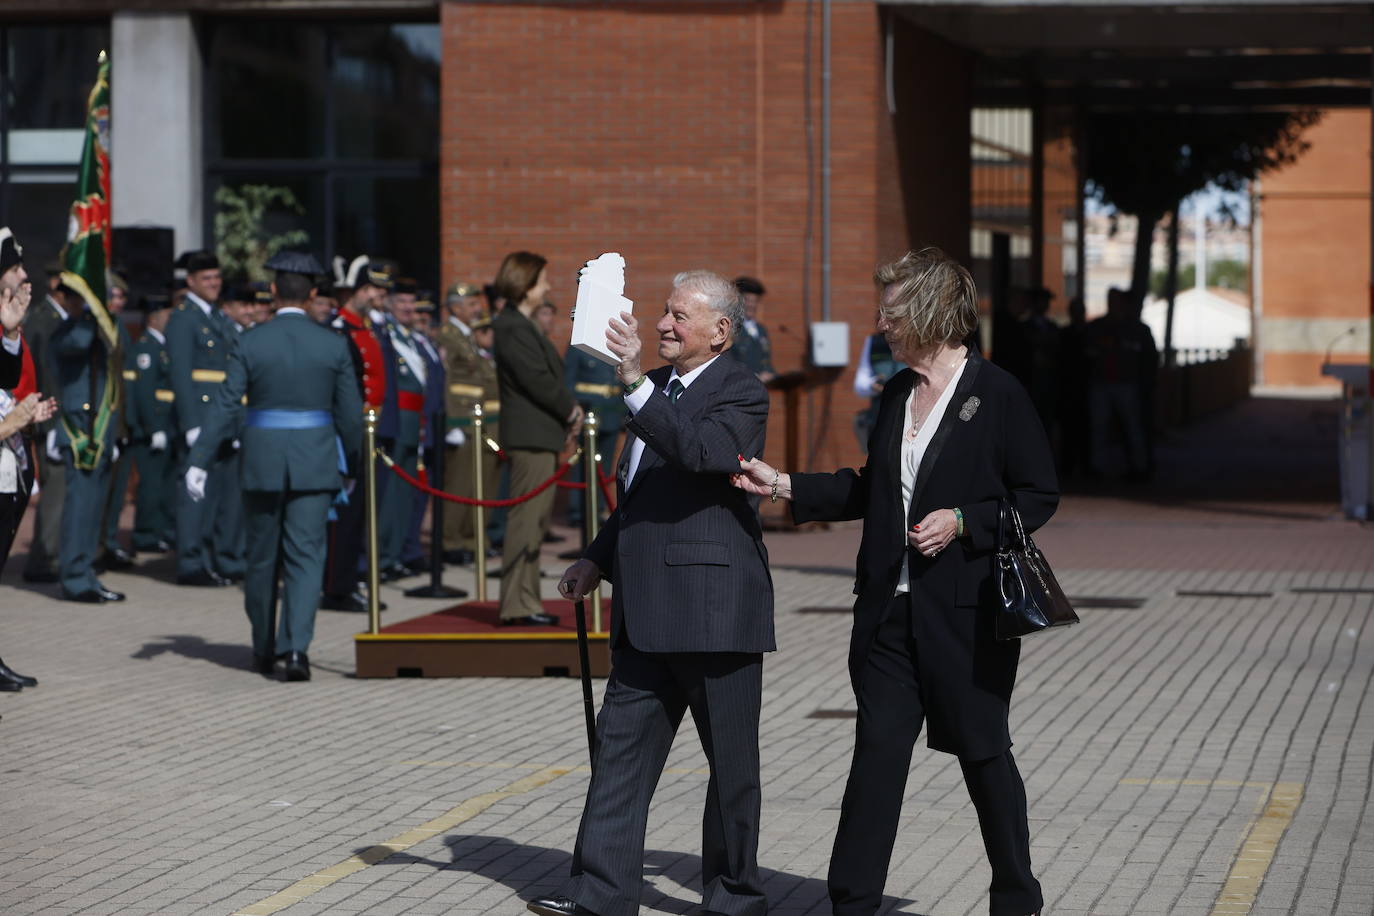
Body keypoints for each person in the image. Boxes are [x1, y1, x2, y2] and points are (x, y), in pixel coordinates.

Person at [734, 248, 1054, 916]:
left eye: (893, 307)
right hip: (888, 614)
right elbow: (867, 489)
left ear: (933, 311)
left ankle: (1017, 898)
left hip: (965, 617)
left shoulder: (996, 394)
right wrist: (786, 484)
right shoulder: (895, 395)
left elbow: (1039, 494)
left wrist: (966, 520)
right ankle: (852, 903)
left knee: (983, 753)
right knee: (876, 760)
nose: (880, 319)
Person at [531, 270, 773, 916]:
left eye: (678, 317)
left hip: (714, 613)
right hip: (643, 611)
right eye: (664, 313)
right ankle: (601, 896)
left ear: (720, 332)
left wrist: (636, 386)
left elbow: (702, 454)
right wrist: (595, 557)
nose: (663, 325)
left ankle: (734, 899)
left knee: (731, 772)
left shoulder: (741, 392)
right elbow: (643, 494)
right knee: (618, 758)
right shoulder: (659, 389)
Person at [185, 252, 362, 680]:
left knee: (262, 559)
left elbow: (227, 405)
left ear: (275, 292)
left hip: (263, 459)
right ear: (314, 294)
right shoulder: (333, 343)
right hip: (316, 459)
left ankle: (264, 646)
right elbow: (351, 416)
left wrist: (199, 460)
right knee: (306, 557)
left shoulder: (250, 340)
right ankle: (297, 649)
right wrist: (353, 464)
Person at [492, 252, 581, 626]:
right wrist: (570, 409)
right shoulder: (512, 326)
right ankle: (516, 604)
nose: (546, 287)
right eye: (542, 280)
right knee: (526, 522)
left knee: (535, 523)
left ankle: (527, 601)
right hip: (531, 435)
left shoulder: (521, 324)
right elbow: (537, 380)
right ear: (525, 284)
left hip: (540, 434)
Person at [50, 273, 127, 604]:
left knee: (95, 507)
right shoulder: (66, 331)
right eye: (78, 298)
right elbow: (80, 344)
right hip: (80, 427)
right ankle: (74, 577)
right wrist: (91, 314)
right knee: (80, 506)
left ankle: (87, 572)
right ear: (66, 300)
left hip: (102, 426)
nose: (84, 304)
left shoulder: (100, 328)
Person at [320, 255, 391, 612]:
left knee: (360, 513)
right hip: (349, 430)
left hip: (368, 430)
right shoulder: (339, 328)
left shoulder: (364, 326)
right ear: (357, 291)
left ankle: (349, 578)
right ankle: (336, 585)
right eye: (372, 288)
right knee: (344, 516)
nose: (379, 294)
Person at [165, 250, 240, 586]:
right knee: (195, 493)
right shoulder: (184, 318)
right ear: (191, 282)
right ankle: (191, 561)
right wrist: (191, 423)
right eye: (206, 279)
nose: (214, 284)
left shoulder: (218, 318)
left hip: (221, 417)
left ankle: (211, 556)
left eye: (217, 278)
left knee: (217, 493)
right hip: (201, 415)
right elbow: (180, 374)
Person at [19, 258, 69, 583]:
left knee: (63, 492)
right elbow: (37, 374)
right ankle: (43, 559)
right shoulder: (42, 320)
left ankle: (53, 553)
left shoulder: (61, 319)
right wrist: (47, 427)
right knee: (53, 492)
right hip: (46, 417)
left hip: (60, 416)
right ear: (56, 284)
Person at [376, 278, 426, 581]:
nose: (408, 308)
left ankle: (394, 554)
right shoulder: (389, 335)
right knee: (390, 496)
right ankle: (381, 556)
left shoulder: (409, 338)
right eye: (402, 303)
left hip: (414, 422)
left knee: (404, 495)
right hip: (396, 421)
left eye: (411, 303)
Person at [436, 282, 489, 565]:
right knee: (457, 486)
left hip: (474, 419)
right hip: (460, 419)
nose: (477, 309)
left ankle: (465, 539)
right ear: (455, 307)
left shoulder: (466, 335)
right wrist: (451, 422)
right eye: (470, 304)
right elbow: (445, 380)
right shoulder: (448, 335)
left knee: (470, 483)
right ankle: (450, 541)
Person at [1085, 287, 1156, 480]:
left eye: (1116, 300)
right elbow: (1087, 353)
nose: (1113, 304)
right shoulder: (1097, 326)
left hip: (1127, 384)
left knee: (1132, 426)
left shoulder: (1137, 329)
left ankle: (1139, 466)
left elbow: (1149, 359)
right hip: (1101, 383)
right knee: (1099, 427)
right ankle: (1097, 467)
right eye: (1110, 300)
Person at [127, 293, 177, 552]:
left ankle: (160, 530)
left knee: (162, 484)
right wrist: (155, 428)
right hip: (152, 427)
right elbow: (145, 392)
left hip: (166, 424)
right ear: (155, 318)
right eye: (168, 315)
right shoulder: (147, 347)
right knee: (150, 484)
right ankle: (146, 534)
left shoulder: (161, 346)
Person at [562, 341, 625, 533]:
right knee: (583, 466)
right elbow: (569, 382)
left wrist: (623, 412)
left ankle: (596, 509)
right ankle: (577, 512)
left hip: (612, 413)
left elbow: (620, 381)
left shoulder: (614, 346)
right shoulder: (578, 347)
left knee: (603, 468)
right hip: (588, 413)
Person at [97, 273, 136, 570]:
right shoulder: (98, 326)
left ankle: (108, 543)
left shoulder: (119, 326)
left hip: (119, 419)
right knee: (99, 492)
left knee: (116, 492)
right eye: (114, 296)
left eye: (122, 297)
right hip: (101, 420)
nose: (119, 302)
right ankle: (96, 548)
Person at [852, 312, 906, 453]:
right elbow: (860, 384)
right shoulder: (873, 342)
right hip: (880, 415)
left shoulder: (913, 341)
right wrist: (872, 385)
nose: (883, 324)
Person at [726, 275, 776, 382]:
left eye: (755, 301)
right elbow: (727, 362)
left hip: (760, 389)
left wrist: (769, 373)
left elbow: (766, 360)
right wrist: (754, 376)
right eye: (747, 300)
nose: (751, 305)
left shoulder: (761, 329)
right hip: (737, 386)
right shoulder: (730, 329)